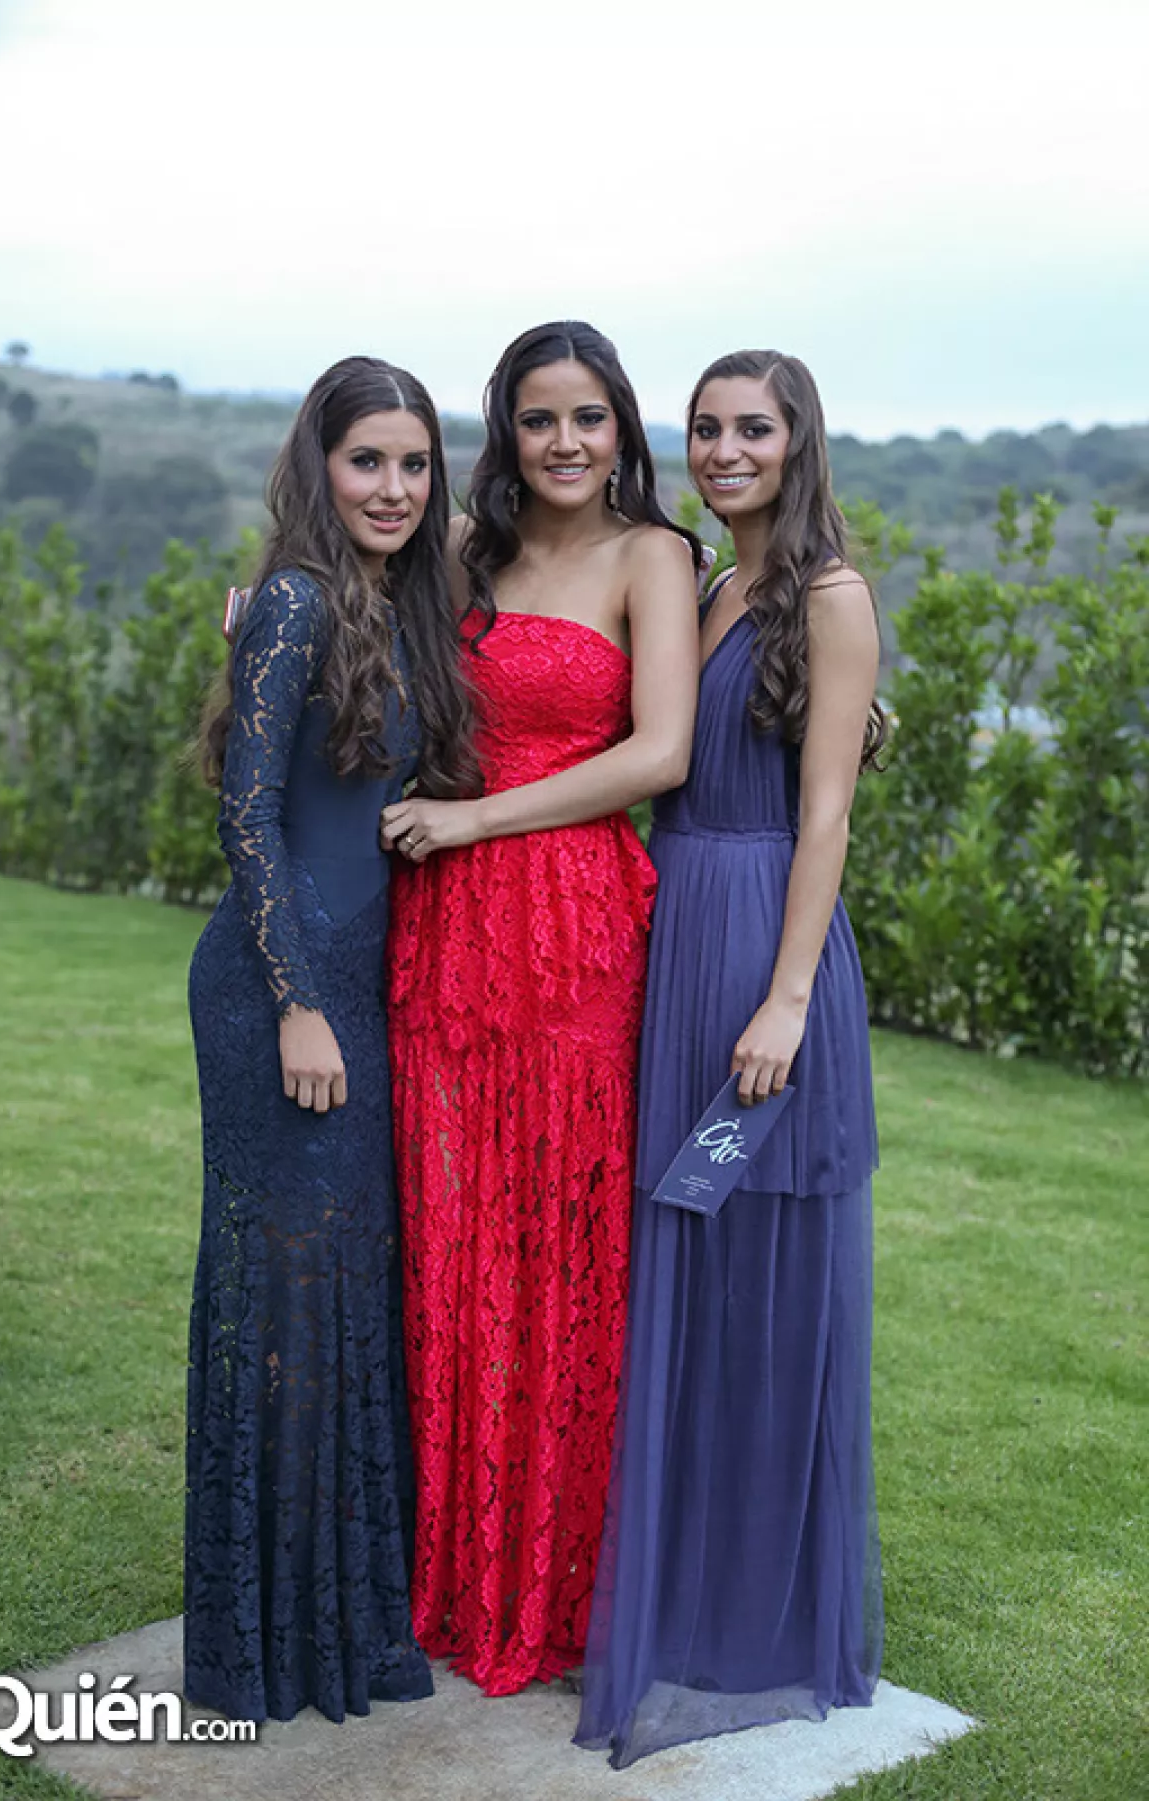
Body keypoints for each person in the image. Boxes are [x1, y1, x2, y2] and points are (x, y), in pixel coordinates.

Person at [379, 320, 701, 1695]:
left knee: (566, 1247)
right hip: (443, 937)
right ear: (503, 434)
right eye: (536, 420)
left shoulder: (654, 558)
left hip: (573, 928)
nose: (564, 443)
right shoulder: (467, 559)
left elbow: (662, 750)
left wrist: (475, 820)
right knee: (452, 1240)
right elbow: (374, 650)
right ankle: (444, 1572)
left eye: (587, 418)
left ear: (622, 425)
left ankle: (561, 1586)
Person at [576, 350, 887, 1767]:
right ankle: (691, 1594)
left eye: (751, 428)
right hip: (678, 944)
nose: (722, 448)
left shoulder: (828, 595)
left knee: (767, 1276)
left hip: (767, 962)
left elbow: (825, 815)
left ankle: (768, 1619)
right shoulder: (706, 584)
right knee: (687, 1285)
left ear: (798, 439)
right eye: (704, 428)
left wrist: (788, 997)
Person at [185, 356, 477, 1724]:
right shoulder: (297, 600)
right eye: (368, 460)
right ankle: (265, 1636)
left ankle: (338, 1617)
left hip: (358, 987)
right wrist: (298, 998)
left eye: (417, 464)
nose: (396, 488)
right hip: (277, 990)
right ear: (320, 464)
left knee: (347, 1295)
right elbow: (247, 814)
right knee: (285, 1297)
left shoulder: (389, 599)